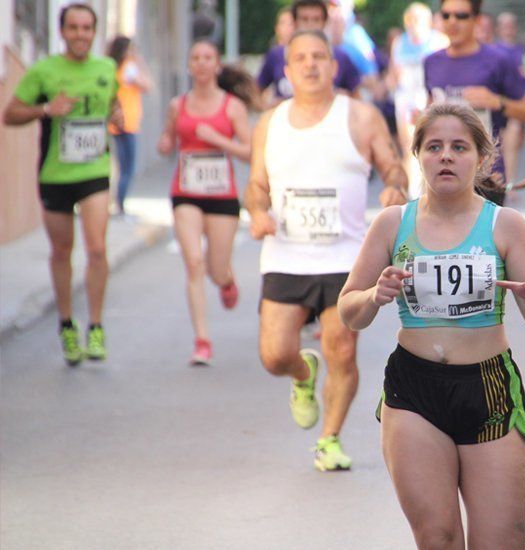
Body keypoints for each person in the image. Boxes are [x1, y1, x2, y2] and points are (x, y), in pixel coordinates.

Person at [338, 102, 525, 548]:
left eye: (458, 147)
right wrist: (374, 295)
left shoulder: (506, 225)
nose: (445, 156)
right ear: (417, 155)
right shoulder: (391, 224)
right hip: (414, 390)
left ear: (480, 158)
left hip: (488, 388)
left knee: (501, 541)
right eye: (434, 146)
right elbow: (349, 309)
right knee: (437, 537)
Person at [245, 30, 408, 471]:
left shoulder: (360, 116)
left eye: (320, 56)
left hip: (345, 259)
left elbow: (392, 165)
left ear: (334, 67)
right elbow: (257, 186)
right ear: (287, 69)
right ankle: (302, 374)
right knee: (274, 355)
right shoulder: (270, 123)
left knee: (342, 349)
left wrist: (394, 186)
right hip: (285, 256)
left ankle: (329, 439)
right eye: (301, 58)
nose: (311, 64)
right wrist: (257, 212)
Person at [3, 3, 122, 366]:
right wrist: (45, 110)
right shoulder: (44, 71)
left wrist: (116, 114)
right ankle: (67, 325)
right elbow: (10, 114)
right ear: (62, 32)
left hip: (94, 170)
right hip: (55, 174)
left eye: (87, 28)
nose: (81, 35)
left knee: (98, 249)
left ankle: (96, 326)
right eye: (74, 28)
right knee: (61, 251)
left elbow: (113, 106)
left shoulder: (106, 68)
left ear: (94, 32)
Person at [156, 41, 254, 366]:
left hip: (222, 194)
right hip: (186, 192)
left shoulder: (232, 107)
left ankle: (226, 279)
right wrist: (166, 142)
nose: (200, 63)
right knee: (194, 262)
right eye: (195, 58)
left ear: (217, 66)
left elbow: (250, 151)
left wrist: (217, 140)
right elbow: (167, 139)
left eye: (207, 58)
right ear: (189, 66)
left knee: (214, 269)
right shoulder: (177, 104)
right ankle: (202, 340)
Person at [424, 0, 525, 205]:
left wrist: (496, 101)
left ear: (476, 19)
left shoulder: (498, 60)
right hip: (443, 174)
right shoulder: (432, 62)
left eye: (461, 16)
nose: (452, 22)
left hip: (487, 177)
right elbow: (429, 114)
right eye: (446, 15)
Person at [389, 2, 448, 198]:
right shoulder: (399, 42)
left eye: (418, 19)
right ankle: (413, 194)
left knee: (433, 143)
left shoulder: (440, 41)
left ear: (428, 21)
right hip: (406, 98)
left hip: (430, 97)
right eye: (410, 19)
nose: (414, 24)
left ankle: (433, 187)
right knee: (409, 145)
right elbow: (393, 73)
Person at [107, 36, 153, 215]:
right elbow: (147, 86)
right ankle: (120, 205)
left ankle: (118, 202)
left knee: (121, 165)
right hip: (127, 124)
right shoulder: (129, 68)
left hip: (119, 123)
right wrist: (140, 63)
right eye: (131, 49)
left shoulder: (113, 68)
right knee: (127, 167)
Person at [493, 12, 525, 185]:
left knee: (515, 142)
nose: (507, 30)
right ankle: (505, 181)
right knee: (503, 142)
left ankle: (510, 181)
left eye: (510, 26)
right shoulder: (494, 51)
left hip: (516, 103)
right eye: (504, 26)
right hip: (498, 103)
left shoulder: (521, 51)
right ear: (498, 29)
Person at [256, 6, 295, 108]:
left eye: (291, 23)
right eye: (283, 23)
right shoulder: (275, 54)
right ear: (277, 28)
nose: (288, 28)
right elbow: (259, 86)